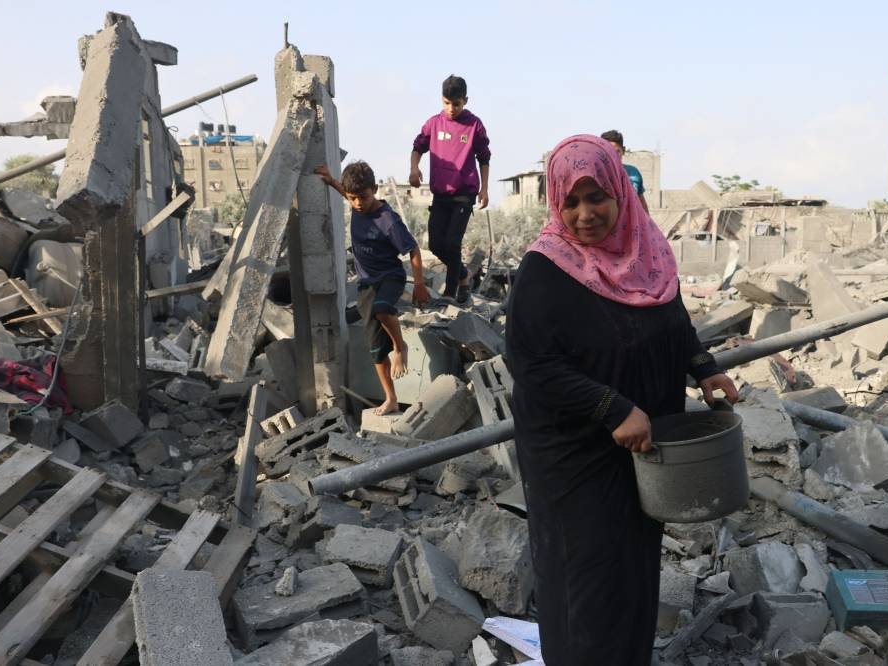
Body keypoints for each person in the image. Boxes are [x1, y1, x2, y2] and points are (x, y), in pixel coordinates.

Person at [504, 135, 738, 666]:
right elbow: (530, 363)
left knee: (634, 568)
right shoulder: (546, 269)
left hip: (643, 443)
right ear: (555, 203)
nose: (585, 214)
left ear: (620, 194)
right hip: (575, 454)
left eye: (597, 197)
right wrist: (612, 408)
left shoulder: (648, 252)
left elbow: (672, 323)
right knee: (589, 578)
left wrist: (704, 368)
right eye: (571, 201)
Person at [315, 161, 430, 415]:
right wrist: (331, 178)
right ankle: (391, 399)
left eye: (363, 197)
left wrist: (419, 284)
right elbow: (344, 191)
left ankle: (401, 347)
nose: (357, 203)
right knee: (376, 350)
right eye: (353, 198)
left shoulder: (387, 220)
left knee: (382, 309)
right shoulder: (356, 202)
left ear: (375, 190)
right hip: (367, 284)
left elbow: (412, 249)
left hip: (390, 277)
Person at [409, 74, 491, 305]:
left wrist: (484, 189)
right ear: (441, 99)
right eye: (447, 103)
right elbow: (417, 147)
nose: (451, 108)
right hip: (440, 194)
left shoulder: (474, 124)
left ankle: (451, 293)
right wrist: (414, 169)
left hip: (464, 194)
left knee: (453, 243)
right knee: (436, 244)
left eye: (456, 103)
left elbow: (484, 158)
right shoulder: (434, 123)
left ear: (465, 100)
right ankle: (463, 275)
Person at [601, 129, 650, 213]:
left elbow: (641, 202)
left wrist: (649, 224)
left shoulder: (633, 173)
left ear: (623, 150)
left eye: (617, 151)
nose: (613, 156)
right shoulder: (598, 174)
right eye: (609, 152)